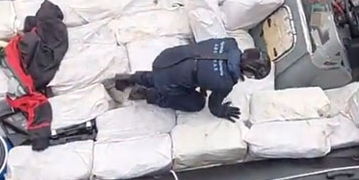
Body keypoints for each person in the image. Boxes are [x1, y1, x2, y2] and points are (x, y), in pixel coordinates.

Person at [113, 38, 271, 122]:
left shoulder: (229, 42)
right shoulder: (226, 82)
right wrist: (223, 111)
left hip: (166, 58)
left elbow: (207, 59)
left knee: (171, 75)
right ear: (248, 72)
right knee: (197, 103)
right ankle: (147, 94)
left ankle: (131, 78)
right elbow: (213, 107)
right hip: (169, 83)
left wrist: (206, 79)